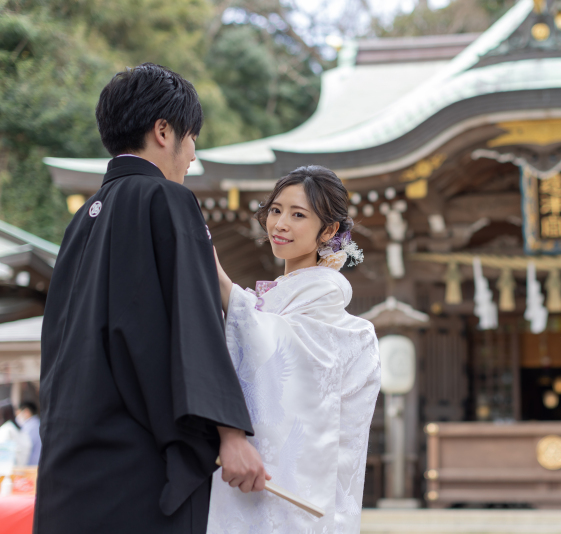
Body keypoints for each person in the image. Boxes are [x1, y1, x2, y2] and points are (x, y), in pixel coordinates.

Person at [36, 63, 268, 534]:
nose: (193, 154)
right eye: (192, 137)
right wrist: (230, 433)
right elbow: (193, 320)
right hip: (137, 468)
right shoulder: (165, 199)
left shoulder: (81, 222)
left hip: (69, 464)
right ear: (163, 131)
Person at [207, 166, 381, 534]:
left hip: (297, 498)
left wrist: (220, 279)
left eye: (298, 214)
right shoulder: (274, 302)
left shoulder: (334, 317)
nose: (280, 224)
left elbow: (270, 342)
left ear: (329, 230)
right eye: (275, 210)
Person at [14, 401, 40, 465]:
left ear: (26, 412)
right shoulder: (37, 424)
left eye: (18, 414)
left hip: (32, 466)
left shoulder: (30, 427)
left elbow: (23, 449)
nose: (17, 417)